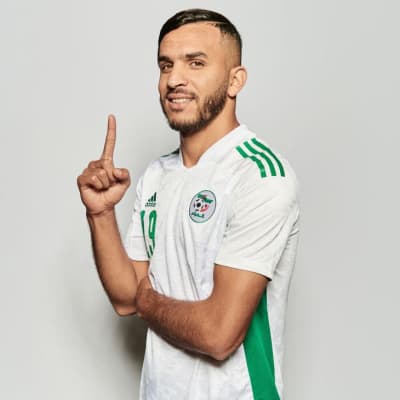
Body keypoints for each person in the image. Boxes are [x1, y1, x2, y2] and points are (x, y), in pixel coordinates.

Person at [77, 8, 300, 400]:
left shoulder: (260, 175)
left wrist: (147, 300)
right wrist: (100, 213)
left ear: (235, 80)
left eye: (195, 63)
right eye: (166, 65)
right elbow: (126, 298)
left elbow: (219, 334)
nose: (174, 79)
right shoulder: (156, 175)